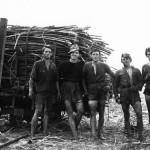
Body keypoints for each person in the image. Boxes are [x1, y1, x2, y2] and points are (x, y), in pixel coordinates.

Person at [28, 45, 60, 139]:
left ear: (52, 54)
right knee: (37, 111)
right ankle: (32, 134)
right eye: (46, 51)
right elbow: (32, 78)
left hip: (50, 92)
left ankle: (45, 133)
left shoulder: (53, 66)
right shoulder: (37, 64)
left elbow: (56, 80)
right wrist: (30, 90)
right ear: (43, 53)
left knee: (47, 112)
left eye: (49, 52)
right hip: (40, 92)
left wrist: (58, 92)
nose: (48, 53)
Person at [82, 49, 115, 140]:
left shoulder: (104, 65)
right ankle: (93, 134)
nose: (95, 56)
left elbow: (113, 75)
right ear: (91, 55)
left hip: (102, 91)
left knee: (101, 113)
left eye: (97, 54)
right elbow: (83, 79)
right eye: (94, 54)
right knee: (92, 113)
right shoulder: (86, 65)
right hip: (92, 91)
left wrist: (109, 86)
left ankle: (100, 133)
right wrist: (85, 91)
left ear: (99, 56)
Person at [114, 53, 143, 141]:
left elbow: (141, 82)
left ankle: (140, 134)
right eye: (123, 59)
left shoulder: (136, 70)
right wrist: (116, 96)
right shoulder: (119, 72)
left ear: (130, 59)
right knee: (126, 115)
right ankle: (129, 134)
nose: (125, 60)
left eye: (127, 58)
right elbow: (114, 85)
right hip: (124, 94)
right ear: (121, 61)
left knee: (139, 113)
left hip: (134, 94)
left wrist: (136, 87)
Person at [59, 44, 85, 139]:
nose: (74, 54)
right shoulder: (64, 64)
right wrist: (59, 91)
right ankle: (74, 135)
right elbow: (58, 78)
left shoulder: (82, 64)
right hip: (65, 88)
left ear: (79, 54)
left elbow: (84, 76)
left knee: (80, 110)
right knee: (69, 112)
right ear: (69, 54)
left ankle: (74, 126)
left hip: (77, 88)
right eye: (72, 52)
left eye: (76, 52)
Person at [142, 47, 150, 124]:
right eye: (148, 55)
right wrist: (146, 77)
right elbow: (142, 80)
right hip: (148, 89)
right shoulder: (145, 66)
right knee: (149, 107)